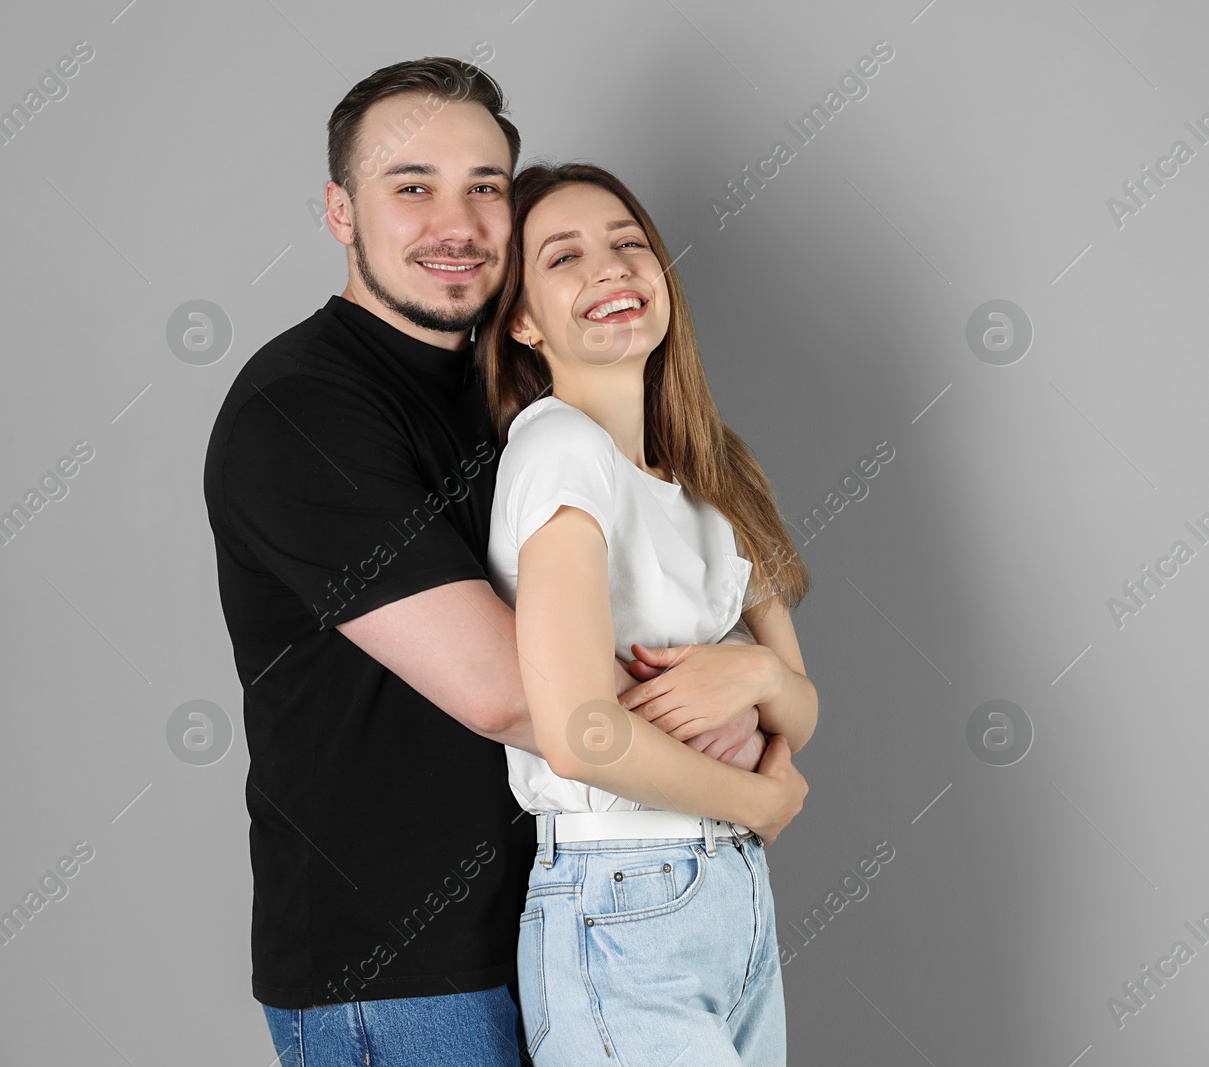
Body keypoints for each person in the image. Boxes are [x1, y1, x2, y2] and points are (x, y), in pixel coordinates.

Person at [202, 59, 792, 1064]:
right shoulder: (297, 411)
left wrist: (760, 671)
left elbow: (668, 607)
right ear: (341, 212)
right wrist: (737, 747)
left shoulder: (523, 404)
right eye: (411, 185)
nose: (457, 220)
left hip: (572, 923)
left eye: (484, 186)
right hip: (404, 976)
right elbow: (512, 692)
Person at [476, 161, 817, 1065]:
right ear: (521, 320)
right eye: (564, 257)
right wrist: (761, 798)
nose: (610, 267)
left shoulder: (713, 469)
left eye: (630, 244)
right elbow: (582, 731)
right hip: (620, 896)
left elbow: (804, 705)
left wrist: (755, 674)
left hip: (731, 899)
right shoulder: (558, 450)